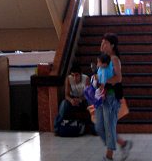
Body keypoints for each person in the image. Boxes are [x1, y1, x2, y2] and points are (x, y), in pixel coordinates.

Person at [95, 33, 132, 161]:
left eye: (105, 43)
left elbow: (118, 77)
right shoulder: (102, 59)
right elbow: (101, 77)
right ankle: (123, 143)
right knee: (99, 126)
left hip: (111, 96)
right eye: (102, 42)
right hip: (101, 98)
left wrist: (105, 83)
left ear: (112, 45)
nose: (102, 45)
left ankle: (108, 156)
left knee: (109, 126)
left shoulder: (114, 59)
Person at [54, 63, 90, 133]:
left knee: (90, 103)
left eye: (76, 75)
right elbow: (66, 95)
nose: (74, 78)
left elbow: (87, 95)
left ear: (81, 74)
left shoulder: (86, 79)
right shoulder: (68, 79)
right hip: (72, 100)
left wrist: (79, 99)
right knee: (64, 103)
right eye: (73, 75)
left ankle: (93, 127)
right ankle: (57, 127)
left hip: (83, 100)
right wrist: (71, 100)